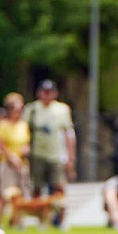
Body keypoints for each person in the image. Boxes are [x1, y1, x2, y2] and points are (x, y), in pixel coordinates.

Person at [24, 79, 76, 226]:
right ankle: (39, 219)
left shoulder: (62, 109)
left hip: (56, 154)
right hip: (37, 154)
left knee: (59, 188)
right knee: (37, 187)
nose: (46, 95)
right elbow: (25, 130)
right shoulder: (32, 109)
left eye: (49, 92)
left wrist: (71, 157)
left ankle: (61, 221)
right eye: (44, 92)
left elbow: (68, 133)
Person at [0, 92, 30, 226]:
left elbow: (26, 142)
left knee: (21, 194)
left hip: (22, 163)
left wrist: (25, 150)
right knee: (4, 194)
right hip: (7, 163)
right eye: (17, 109)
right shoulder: (3, 125)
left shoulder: (23, 125)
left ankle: (19, 222)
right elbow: (1, 144)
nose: (19, 112)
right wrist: (12, 157)